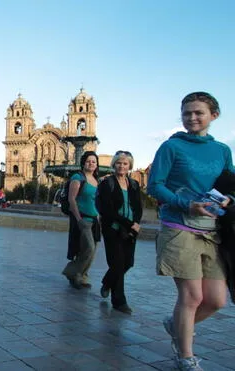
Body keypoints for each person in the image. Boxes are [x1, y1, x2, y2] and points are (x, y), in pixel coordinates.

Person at [147, 92, 233, 370]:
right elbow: (155, 186)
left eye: (198, 112)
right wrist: (187, 204)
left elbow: (230, 183)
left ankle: (176, 324)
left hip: (212, 231)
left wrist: (230, 198)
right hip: (178, 227)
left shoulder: (222, 150)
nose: (192, 118)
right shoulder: (171, 147)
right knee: (193, 297)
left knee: (217, 300)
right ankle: (185, 356)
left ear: (213, 115)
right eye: (187, 113)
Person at [96, 151, 143, 314]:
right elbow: (107, 210)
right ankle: (119, 301)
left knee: (128, 262)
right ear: (114, 164)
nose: (122, 166)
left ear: (130, 166)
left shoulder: (134, 184)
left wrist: (136, 222)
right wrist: (130, 224)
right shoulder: (106, 183)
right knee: (117, 264)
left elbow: (138, 207)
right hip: (113, 229)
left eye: (125, 163)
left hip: (130, 230)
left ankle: (107, 282)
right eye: (119, 163)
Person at [62, 151, 100, 289]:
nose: (91, 163)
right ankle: (72, 272)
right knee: (88, 248)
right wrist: (78, 219)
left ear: (97, 165)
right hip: (82, 219)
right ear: (83, 162)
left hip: (95, 219)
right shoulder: (78, 178)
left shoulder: (97, 181)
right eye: (88, 161)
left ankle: (82, 276)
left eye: (94, 161)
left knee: (92, 249)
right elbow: (72, 200)